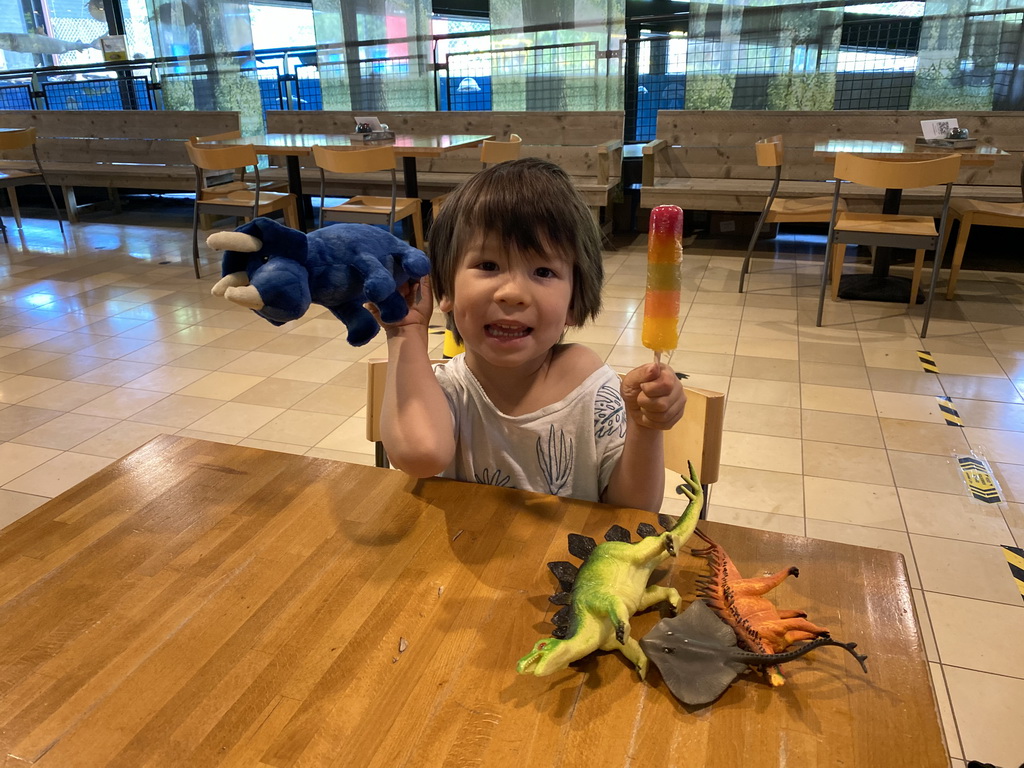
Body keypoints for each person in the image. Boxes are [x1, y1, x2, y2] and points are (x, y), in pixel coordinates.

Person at [373, 157, 685, 513]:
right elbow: (420, 457)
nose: (513, 292)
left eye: (543, 271)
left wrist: (644, 429)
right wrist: (406, 331)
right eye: (488, 266)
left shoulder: (593, 391)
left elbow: (633, 510)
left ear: (573, 302)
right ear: (446, 288)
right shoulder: (441, 391)